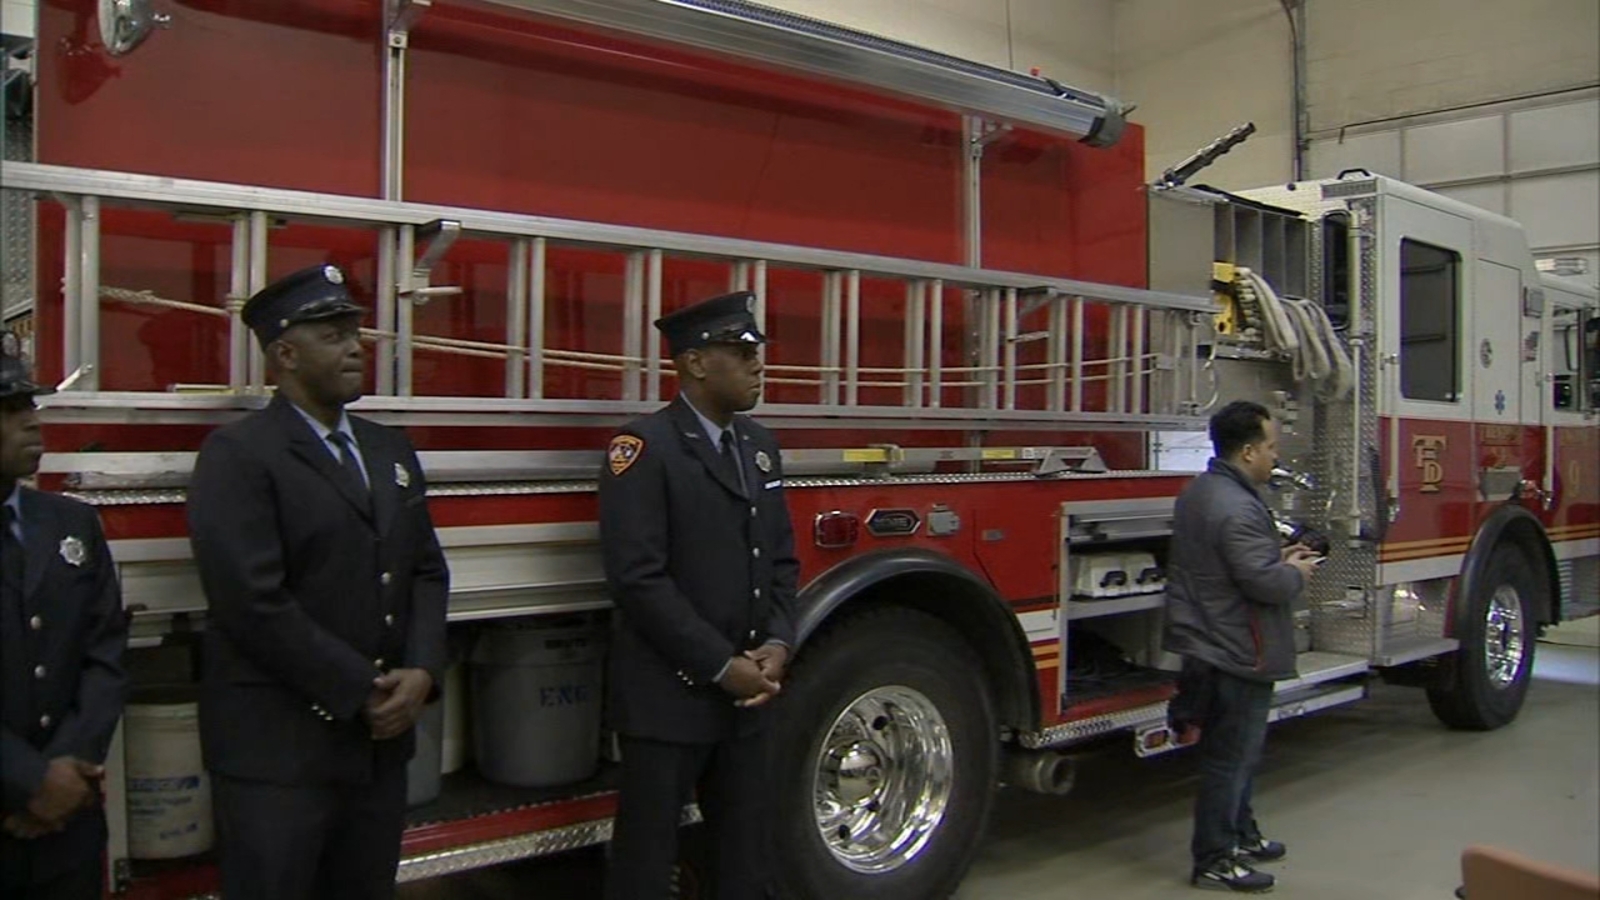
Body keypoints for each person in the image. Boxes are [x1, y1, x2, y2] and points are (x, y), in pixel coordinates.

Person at [186, 265, 449, 900]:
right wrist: (362, 688)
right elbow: (251, 601)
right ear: (284, 355)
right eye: (332, 336)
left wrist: (421, 671)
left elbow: (424, 569)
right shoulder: (239, 455)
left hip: (375, 750)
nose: (355, 347)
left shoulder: (390, 449)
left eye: (353, 332)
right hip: (281, 755)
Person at [599, 290, 799, 900]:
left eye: (757, 351)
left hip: (746, 701)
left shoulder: (759, 446)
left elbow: (781, 558)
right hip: (668, 701)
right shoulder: (643, 449)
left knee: (745, 857)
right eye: (740, 352)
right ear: (693, 363)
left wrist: (779, 640)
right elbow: (638, 578)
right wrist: (718, 665)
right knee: (647, 860)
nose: (757, 364)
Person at [1162, 400, 1321, 894]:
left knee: (1238, 755)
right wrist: (1292, 571)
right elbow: (1263, 585)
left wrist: (1274, 555)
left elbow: (1229, 564)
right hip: (1237, 650)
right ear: (1249, 450)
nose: (1276, 456)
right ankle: (1214, 858)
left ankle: (1240, 833)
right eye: (1272, 446)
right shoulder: (1236, 505)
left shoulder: (1203, 492)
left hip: (1213, 643)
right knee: (1230, 759)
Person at [0, 333, 129, 900]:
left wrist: (70, 770)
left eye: (30, 406)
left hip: (69, 831)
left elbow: (104, 653)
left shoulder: (70, 523)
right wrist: (30, 780)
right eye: (9, 411)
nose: (33, 421)